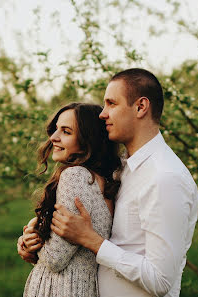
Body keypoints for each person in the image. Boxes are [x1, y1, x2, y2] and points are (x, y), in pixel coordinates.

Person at [19, 68, 198, 297]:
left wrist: (91, 240)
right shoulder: (120, 171)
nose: (103, 114)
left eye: (111, 104)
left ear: (141, 107)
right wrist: (34, 234)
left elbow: (160, 280)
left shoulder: (165, 177)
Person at [21, 102, 122, 297]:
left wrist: (35, 236)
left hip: (61, 287)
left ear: (87, 141)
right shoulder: (105, 178)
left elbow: (55, 258)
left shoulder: (75, 176)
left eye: (66, 132)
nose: (53, 137)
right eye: (56, 129)